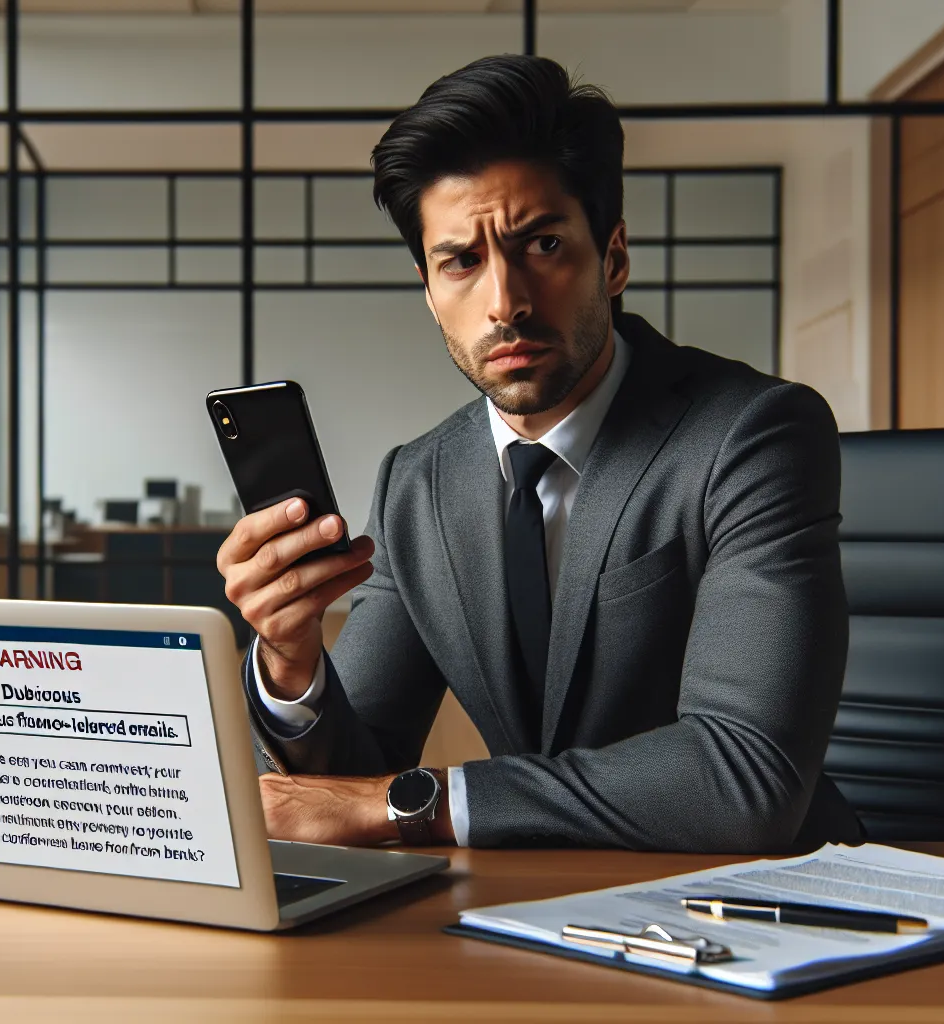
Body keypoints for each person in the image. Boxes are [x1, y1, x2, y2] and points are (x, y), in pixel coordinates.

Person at [215, 54, 862, 852]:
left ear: (613, 258)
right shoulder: (417, 481)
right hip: (525, 907)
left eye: (544, 245)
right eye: (462, 262)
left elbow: (743, 778)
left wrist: (416, 803)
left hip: (754, 907)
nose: (506, 302)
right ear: (428, 289)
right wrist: (289, 659)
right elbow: (354, 774)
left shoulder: (755, 433)